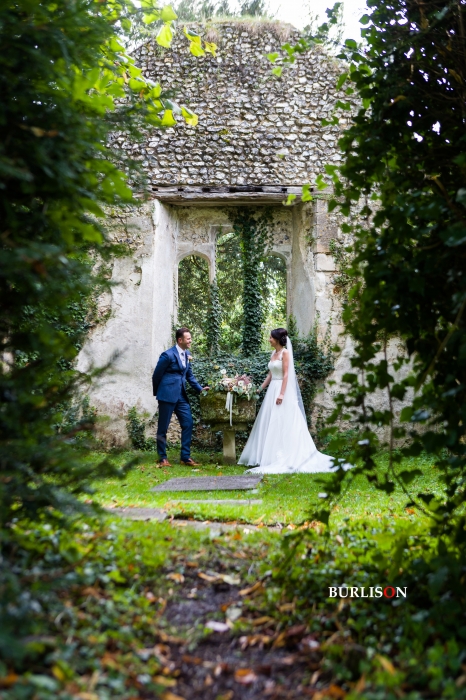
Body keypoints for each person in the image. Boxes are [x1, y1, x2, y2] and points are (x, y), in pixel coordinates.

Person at [238, 328, 342, 474]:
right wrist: (259, 389)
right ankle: (270, 456)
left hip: (282, 389)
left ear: (277, 339)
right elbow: (270, 374)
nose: (269, 340)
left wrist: (281, 394)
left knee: (283, 421)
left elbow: (286, 374)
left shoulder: (285, 353)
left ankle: (288, 454)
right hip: (271, 390)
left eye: (271, 338)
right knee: (271, 421)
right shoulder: (273, 353)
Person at [152, 327, 208, 467]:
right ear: (180, 340)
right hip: (167, 395)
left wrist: (200, 389)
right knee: (163, 427)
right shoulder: (167, 355)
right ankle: (162, 458)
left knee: (188, 423)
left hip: (181, 396)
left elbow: (189, 376)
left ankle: (185, 457)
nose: (190, 341)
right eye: (188, 339)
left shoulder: (187, 354)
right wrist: (159, 393)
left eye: (190, 338)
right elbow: (156, 375)